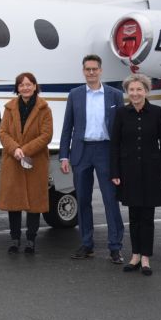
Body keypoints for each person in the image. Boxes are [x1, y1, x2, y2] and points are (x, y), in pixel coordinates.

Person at [59, 54, 125, 263]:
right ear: (83, 71)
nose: (91, 72)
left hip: (106, 151)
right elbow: (67, 126)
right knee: (84, 200)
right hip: (82, 151)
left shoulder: (114, 95)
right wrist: (63, 155)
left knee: (110, 200)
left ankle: (115, 247)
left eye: (94, 69)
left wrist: (121, 156)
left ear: (101, 70)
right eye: (87, 69)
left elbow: (121, 128)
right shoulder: (75, 94)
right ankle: (87, 244)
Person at [110, 73, 161, 276]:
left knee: (148, 216)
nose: (135, 93)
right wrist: (115, 171)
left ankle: (146, 258)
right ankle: (135, 255)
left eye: (139, 89)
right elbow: (115, 145)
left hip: (152, 171)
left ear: (146, 91)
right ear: (127, 92)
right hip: (128, 171)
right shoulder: (121, 113)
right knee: (134, 215)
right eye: (131, 90)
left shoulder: (157, 112)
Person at [0, 72, 52, 255]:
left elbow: (46, 135)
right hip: (13, 159)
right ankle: (14, 239)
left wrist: (25, 150)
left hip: (35, 160)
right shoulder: (10, 107)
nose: (25, 87)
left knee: (34, 203)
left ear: (35, 86)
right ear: (17, 88)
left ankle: (30, 239)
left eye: (29, 84)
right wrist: (15, 150)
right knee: (14, 202)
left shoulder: (44, 108)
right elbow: (3, 132)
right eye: (21, 85)